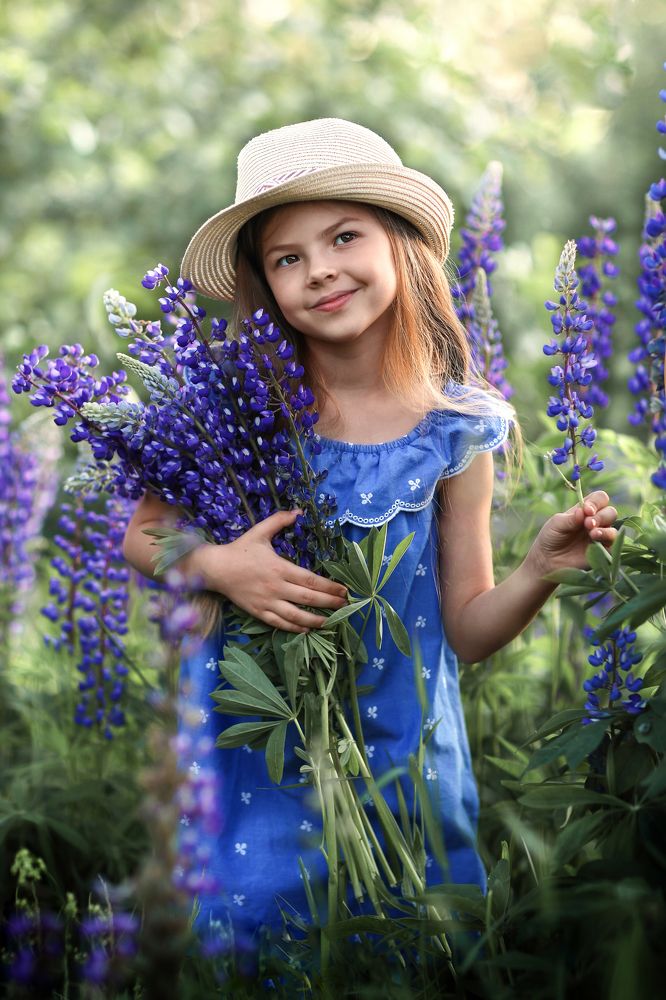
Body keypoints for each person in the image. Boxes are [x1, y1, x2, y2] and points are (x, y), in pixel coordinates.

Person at [122, 118, 617, 945]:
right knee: (263, 941)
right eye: (288, 257)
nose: (320, 270)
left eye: (343, 236)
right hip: (261, 755)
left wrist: (536, 569)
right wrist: (218, 567)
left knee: (404, 944)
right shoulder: (234, 405)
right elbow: (142, 535)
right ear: (265, 282)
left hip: (404, 753)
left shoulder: (458, 427)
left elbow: (465, 629)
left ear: (399, 246)